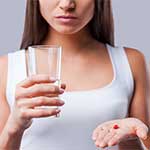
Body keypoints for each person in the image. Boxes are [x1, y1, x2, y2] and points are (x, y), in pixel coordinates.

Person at [0, 0, 149, 149]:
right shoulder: (6, 67)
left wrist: (132, 138)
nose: (67, 4)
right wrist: (14, 129)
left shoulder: (131, 62)